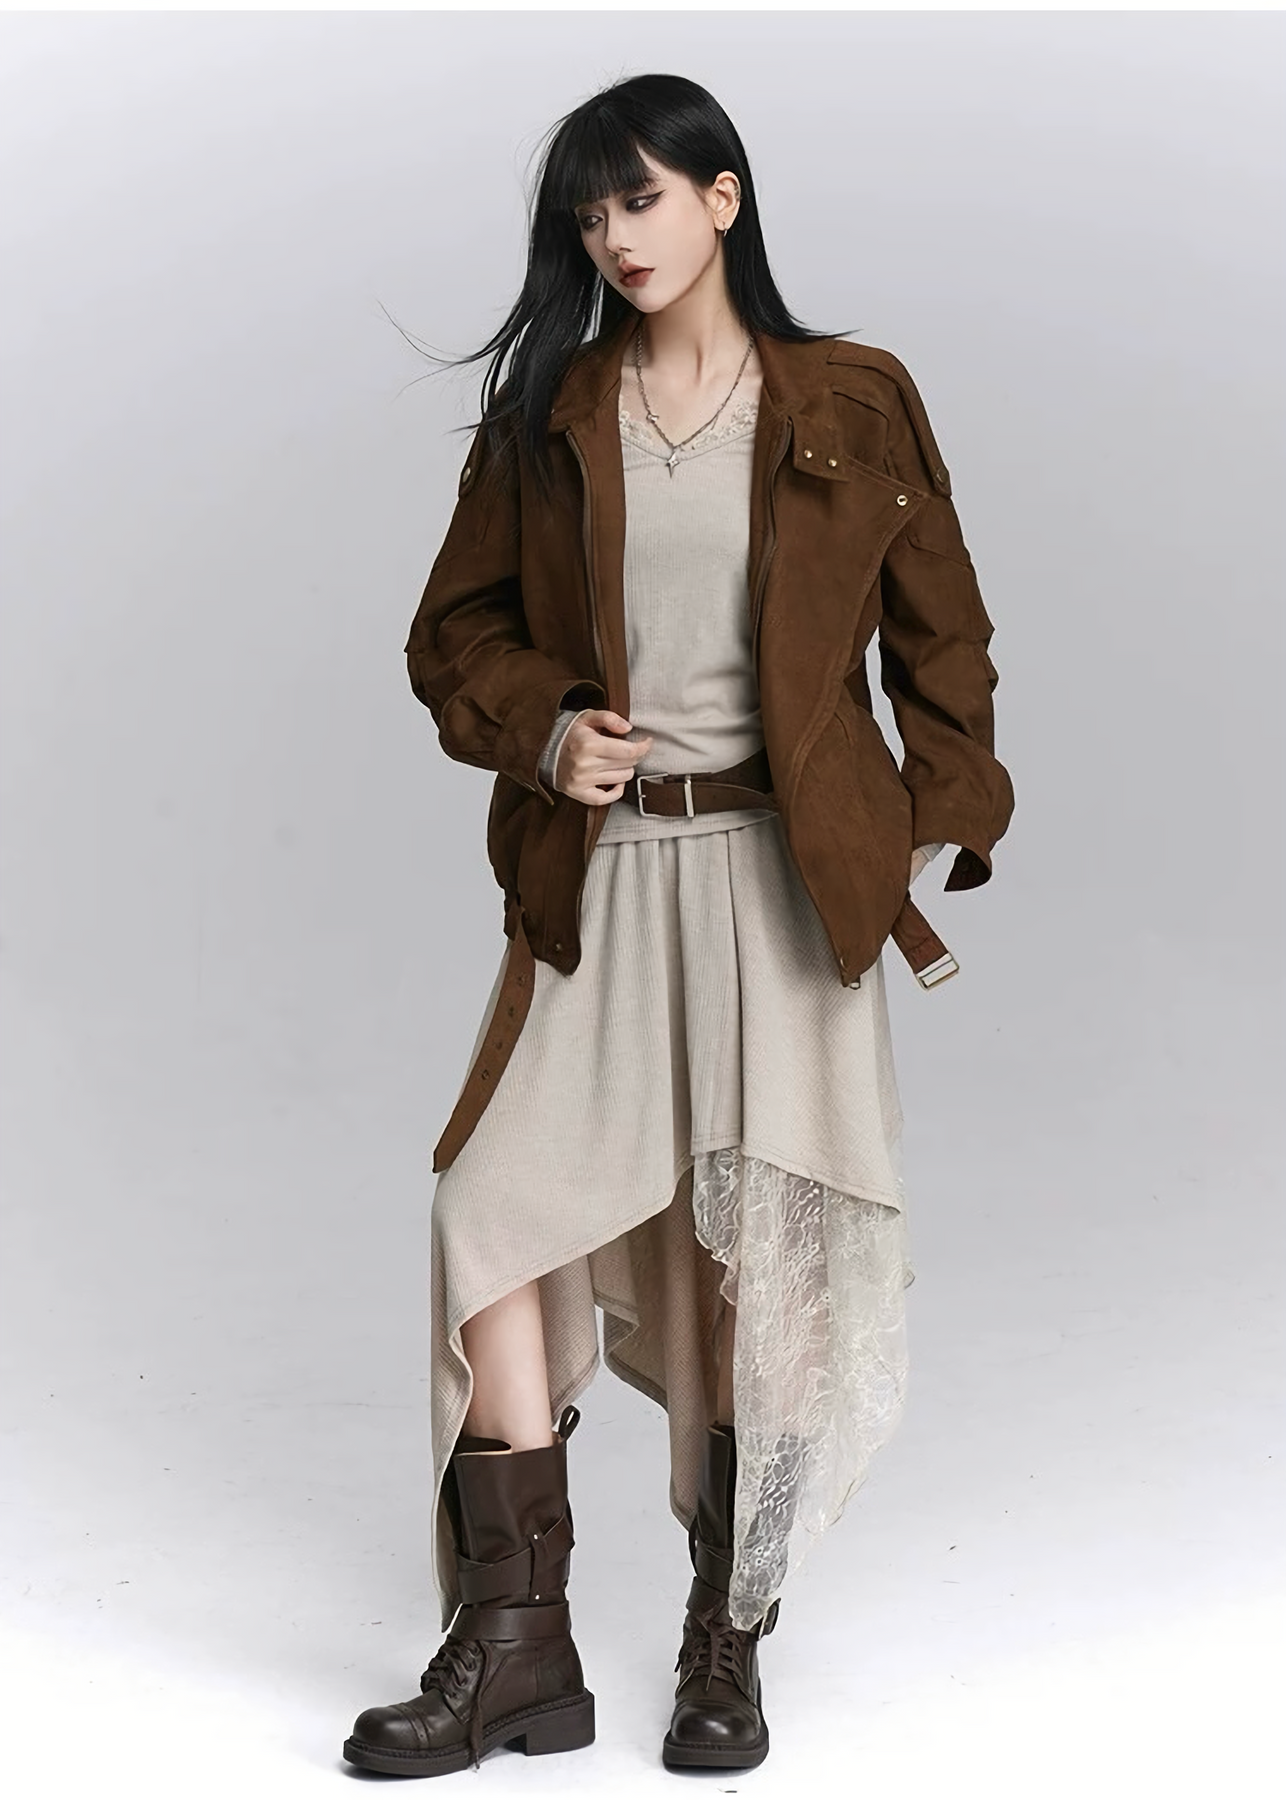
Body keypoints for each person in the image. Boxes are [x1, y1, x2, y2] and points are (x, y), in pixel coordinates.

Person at [342, 71, 1014, 1780]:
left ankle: (726, 1640)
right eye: (588, 216)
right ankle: (518, 1651)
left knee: (745, 1272)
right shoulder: (551, 414)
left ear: (722, 196)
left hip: (786, 884)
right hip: (607, 875)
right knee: (487, 1211)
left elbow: (942, 634)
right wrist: (550, 726)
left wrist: (931, 808)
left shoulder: (851, 397)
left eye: (638, 198)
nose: (614, 238)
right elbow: (451, 637)